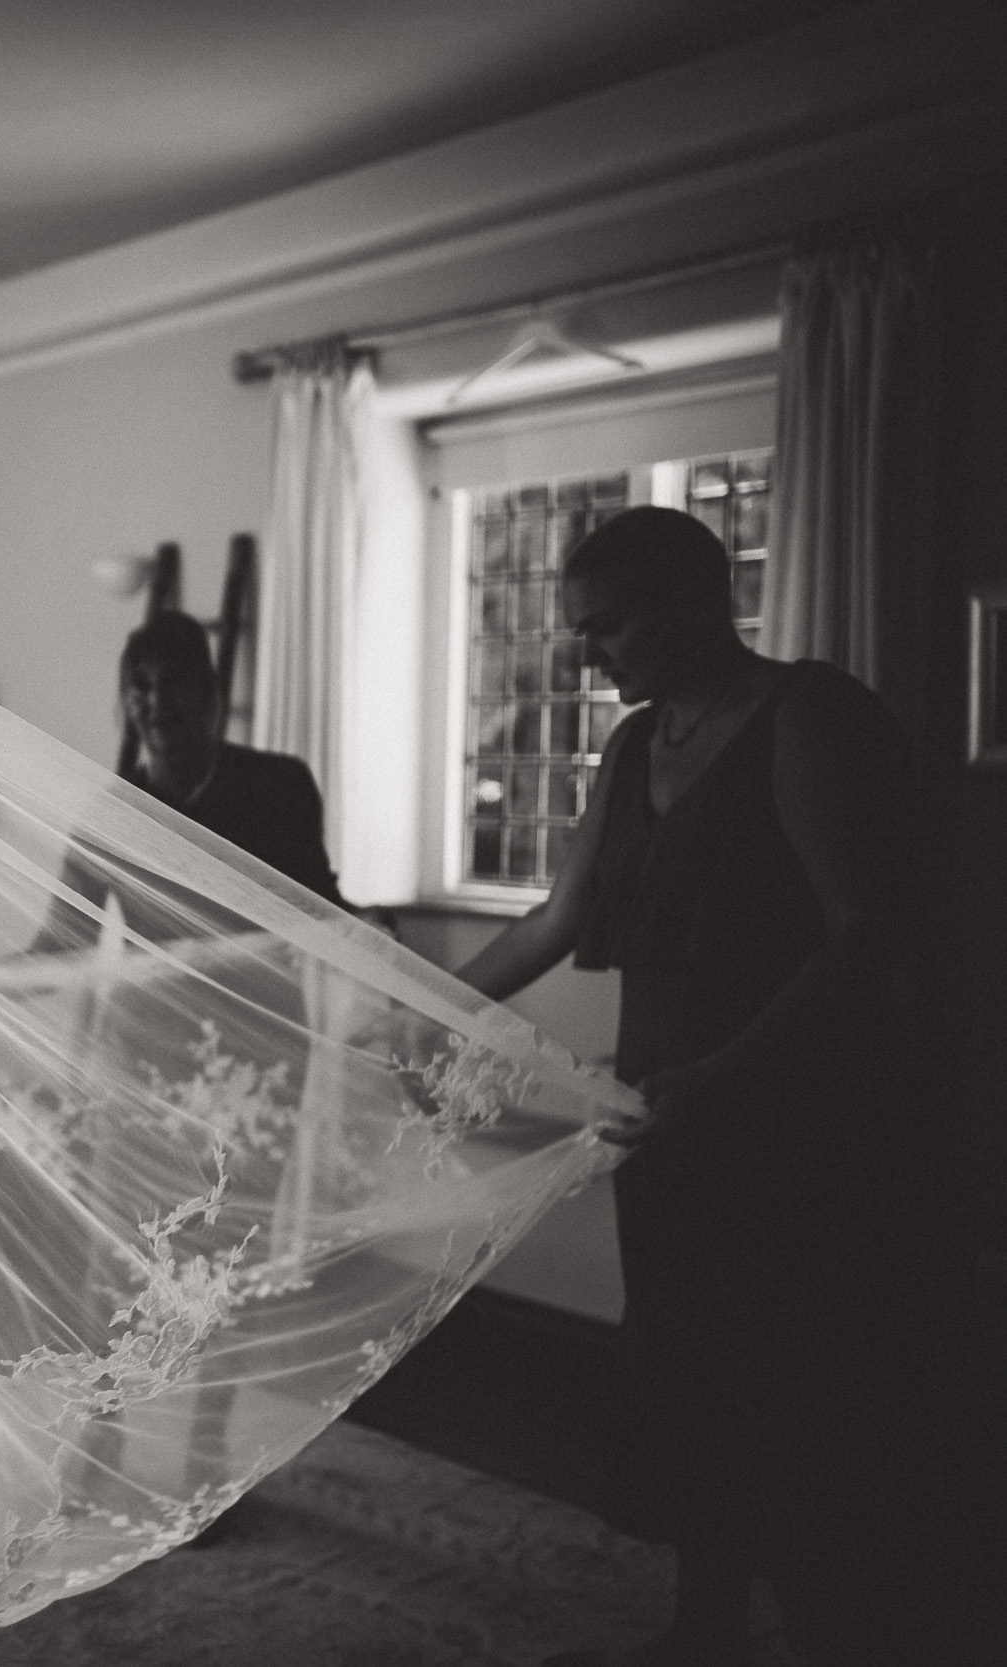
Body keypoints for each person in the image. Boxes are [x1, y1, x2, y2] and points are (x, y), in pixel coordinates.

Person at [453, 507, 975, 1666]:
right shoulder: (636, 747)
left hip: (791, 1116)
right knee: (686, 1369)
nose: (592, 656)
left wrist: (723, 1074)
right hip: (665, 1113)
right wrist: (423, 1005)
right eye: (582, 632)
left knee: (791, 1377)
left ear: (693, 599)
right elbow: (564, 915)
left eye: (611, 627)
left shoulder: (807, 715)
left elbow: (861, 936)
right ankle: (706, 1622)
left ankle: (841, 1624)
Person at [36, 611, 348, 949]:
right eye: (141, 685)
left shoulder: (281, 786)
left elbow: (320, 909)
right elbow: (59, 944)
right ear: (126, 701)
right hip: (153, 1002)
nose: (156, 701)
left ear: (205, 690)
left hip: (262, 1000)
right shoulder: (112, 817)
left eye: (173, 682)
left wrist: (370, 928)